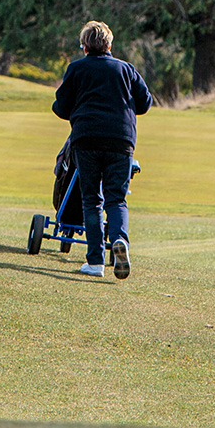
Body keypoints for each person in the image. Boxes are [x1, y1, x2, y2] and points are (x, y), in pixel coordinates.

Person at [52, 20, 154, 279]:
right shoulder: (126, 69)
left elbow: (61, 108)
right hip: (121, 140)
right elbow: (145, 103)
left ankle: (95, 261)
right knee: (116, 199)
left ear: (85, 46)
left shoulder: (76, 69)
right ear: (109, 45)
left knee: (91, 199)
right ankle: (120, 240)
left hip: (86, 139)